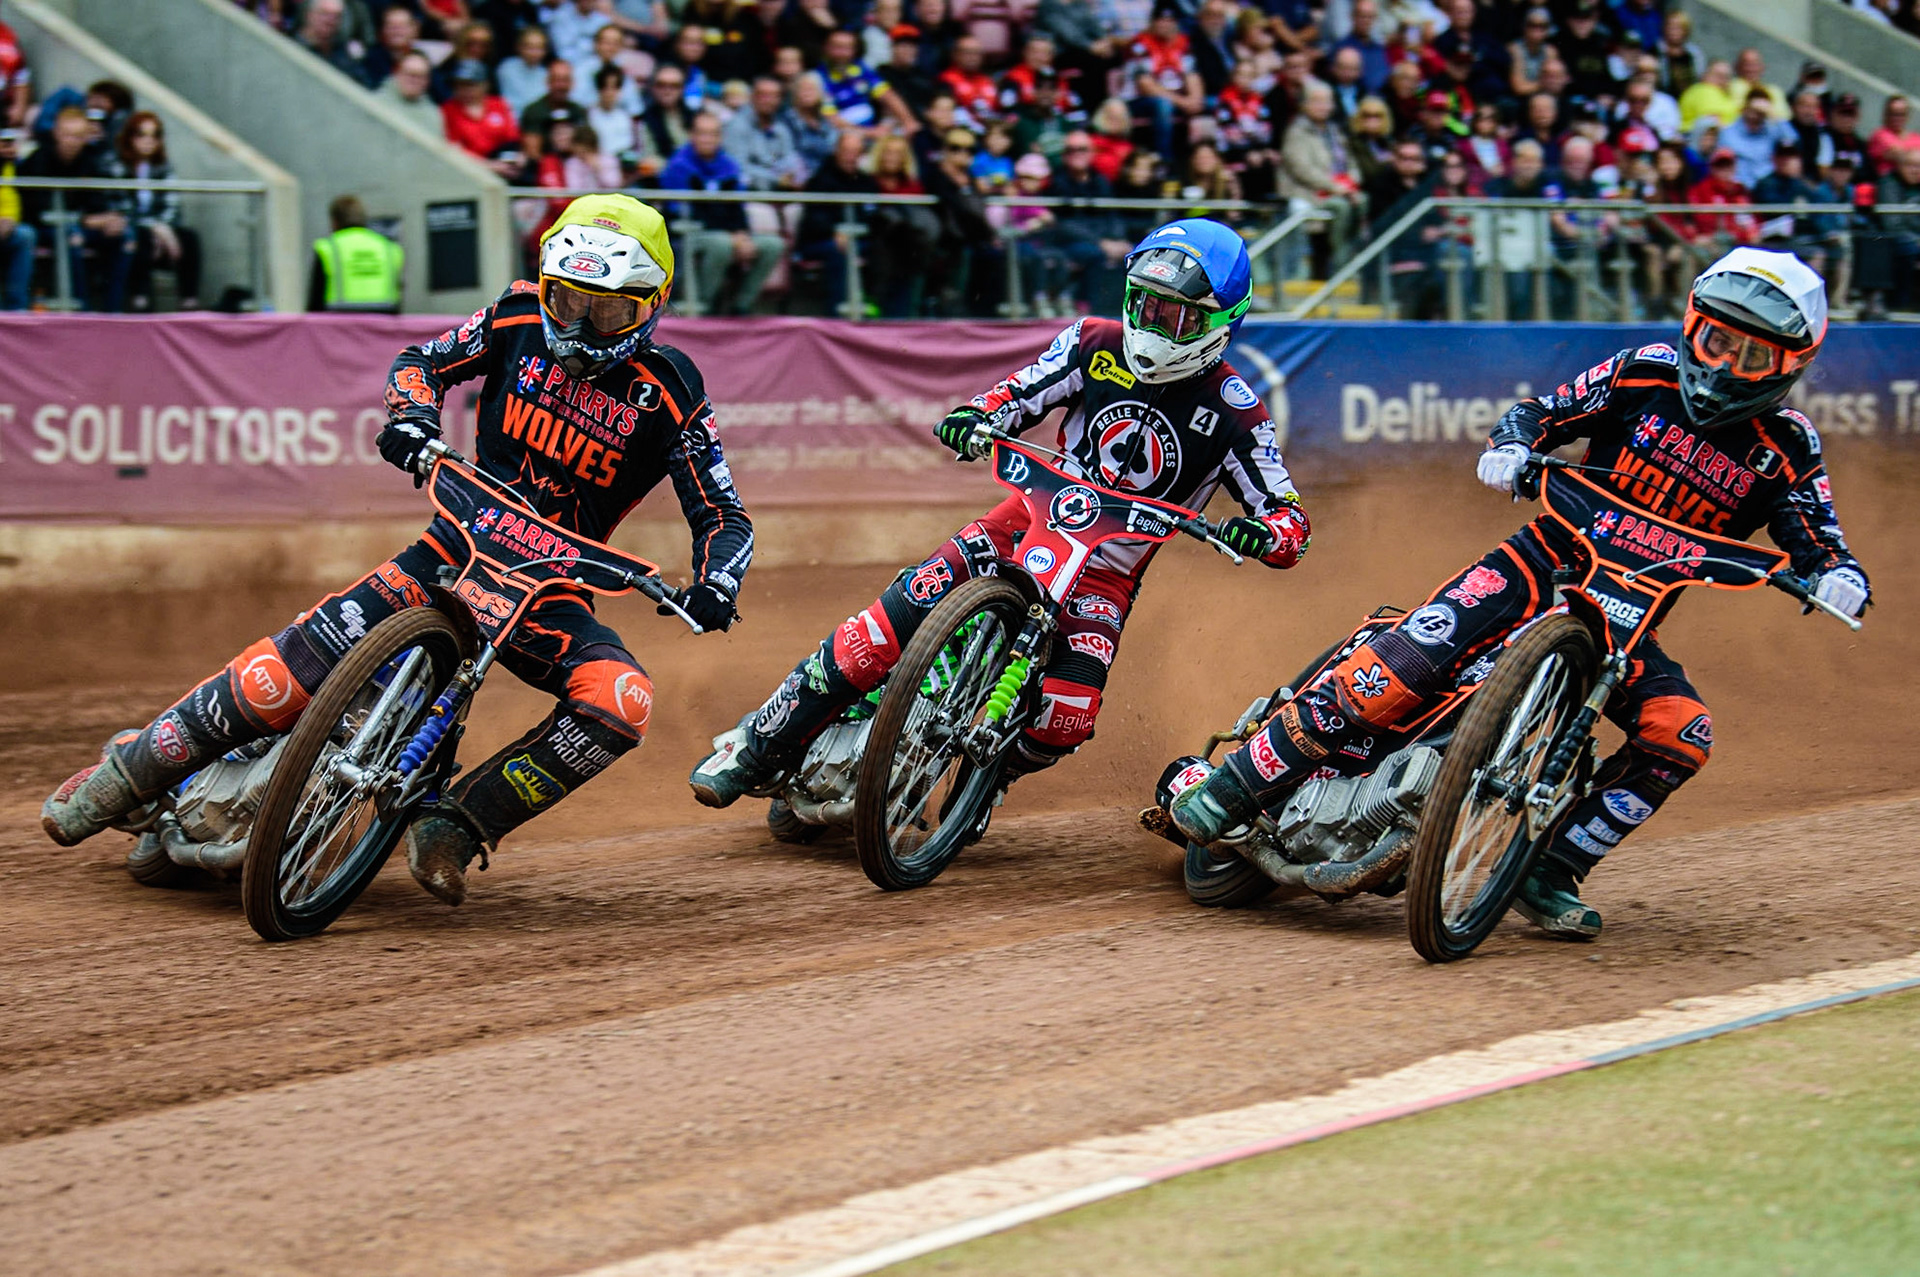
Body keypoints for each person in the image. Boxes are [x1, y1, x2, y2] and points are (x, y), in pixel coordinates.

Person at [45, 195, 752, 910]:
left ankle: (458, 820)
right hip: (451, 547)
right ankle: (132, 771)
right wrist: (412, 418)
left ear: (652, 303)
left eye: (604, 311)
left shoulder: (671, 389)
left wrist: (716, 582)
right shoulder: (514, 315)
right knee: (281, 674)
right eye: (565, 299)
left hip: (549, 591)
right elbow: (423, 362)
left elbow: (724, 513)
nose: (575, 327)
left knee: (621, 700)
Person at [1171, 248, 1868, 940]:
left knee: (1681, 734)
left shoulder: (1787, 446)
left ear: (1790, 365)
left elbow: (1818, 537)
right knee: (1401, 664)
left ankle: (1554, 869)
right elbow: (1546, 411)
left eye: (1749, 356)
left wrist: (1838, 574)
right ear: (1692, 325)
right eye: (1717, 341)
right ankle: (1235, 786)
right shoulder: (1642, 371)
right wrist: (1513, 441)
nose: (1722, 366)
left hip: (1624, 618)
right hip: (1537, 561)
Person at [689, 219, 1311, 817]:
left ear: (1220, 322)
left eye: (1174, 316)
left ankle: (990, 776)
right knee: (880, 628)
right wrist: (975, 417)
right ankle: (757, 744)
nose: (1151, 326)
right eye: (1145, 305)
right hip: (1020, 523)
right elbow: (1017, 393)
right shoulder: (1093, 341)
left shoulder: (1238, 412)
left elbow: (1291, 522)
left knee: (1064, 720)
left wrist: (1262, 534)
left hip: (1104, 577)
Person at [659, 112, 785, 314]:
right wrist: (732, 237)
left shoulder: (729, 165)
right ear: (692, 135)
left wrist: (742, 233)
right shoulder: (678, 166)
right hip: (688, 231)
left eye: (713, 134)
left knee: (773, 244)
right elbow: (686, 211)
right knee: (721, 244)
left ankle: (741, 306)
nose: (707, 139)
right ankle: (702, 306)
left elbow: (736, 206)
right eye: (702, 133)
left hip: (728, 232)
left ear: (720, 137)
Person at [100, 112, 201, 312]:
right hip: (133, 233)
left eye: (154, 136)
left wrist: (163, 230)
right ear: (130, 137)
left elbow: (172, 205)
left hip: (162, 233)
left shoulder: (163, 167)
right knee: (140, 237)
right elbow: (122, 209)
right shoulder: (115, 166)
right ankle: (140, 299)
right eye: (142, 135)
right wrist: (155, 228)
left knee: (189, 237)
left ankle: (189, 301)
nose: (148, 141)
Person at [308, 194, 403, 312]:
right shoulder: (390, 248)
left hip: (339, 323)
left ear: (334, 222)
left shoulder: (328, 248)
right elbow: (398, 297)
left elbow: (315, 303)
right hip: (382, 324)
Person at [0, 128, 33, 310]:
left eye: (10, 143)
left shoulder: (17, 166)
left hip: (10, 227)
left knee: (26, 235)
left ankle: (17, 310)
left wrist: (10, 221)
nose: (6, 147)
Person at [378, 51, 446, 134]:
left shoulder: (434, 116)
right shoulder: (375, 103)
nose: (413, 81)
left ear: (427, 81)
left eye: (419, 76)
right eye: (409, 74)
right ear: (397, 73)